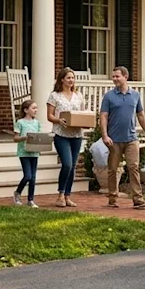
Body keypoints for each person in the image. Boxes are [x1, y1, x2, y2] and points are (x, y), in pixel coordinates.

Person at [99, 66, 145, 210]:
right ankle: (112, 198)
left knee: (133, 168)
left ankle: (138, 199)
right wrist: (104, 135)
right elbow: (103, 116)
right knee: (112, 169)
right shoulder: (109, 96)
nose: (114, 79)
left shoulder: (135, 95)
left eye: (117, 76)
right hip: (114, 140)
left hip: (131, 139)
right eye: (113, 76)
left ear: (125, 77)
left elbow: (140, 115)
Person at [47, 67, 86, 208]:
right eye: (68, 77)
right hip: (61, 134)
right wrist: (59, 121)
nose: (71, 80)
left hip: (76, 135)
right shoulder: (55, 96)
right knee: (67, 164)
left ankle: (68, 196)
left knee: (73, 166)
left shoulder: (78, 95)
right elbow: (49, 116)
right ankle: (60, 195)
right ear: (62, 79)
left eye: (73, 78)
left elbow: (82, 115)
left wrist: (85, 124)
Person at [11, 99, 42, 208]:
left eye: (36, 108)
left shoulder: (37, 123)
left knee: (33, 177)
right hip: (24, 152)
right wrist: (24, 137)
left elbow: (38, 137)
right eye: (33, 108)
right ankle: (17, 193)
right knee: (28, 176)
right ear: (26, 110)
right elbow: (15, 138)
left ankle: (30, 200)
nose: (36, 110)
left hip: (34, 152)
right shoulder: (20, 123)